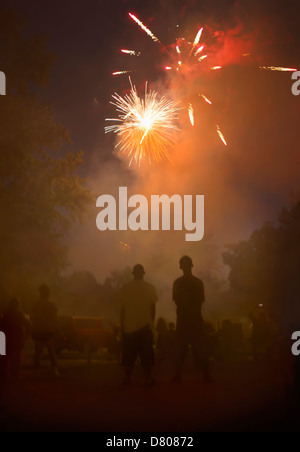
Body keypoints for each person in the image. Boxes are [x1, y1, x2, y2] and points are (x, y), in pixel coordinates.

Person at [172, 256, 212, 383]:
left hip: (183, 320)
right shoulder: (198, 282)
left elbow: (177, 302)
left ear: (180, 266)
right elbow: (200, 302)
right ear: (192, 265)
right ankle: (205, 375)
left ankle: (178, 375)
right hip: (195, 320)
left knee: (180, 349)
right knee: (200, 348)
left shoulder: (177, 283)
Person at [120, 264, 157, 387]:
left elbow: (123, 310)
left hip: (129, 328)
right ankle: (148, 378)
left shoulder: (125, 288)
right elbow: (153, 309)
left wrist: (123, 327)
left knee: (129, 357)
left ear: (133, 273)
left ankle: (127, 379)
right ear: (143, 273)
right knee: (146, 356)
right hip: (145, 327)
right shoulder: (150, 288)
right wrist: (151, 323)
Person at [31, 285, 59, 376]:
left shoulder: (36, 305)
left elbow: (32, 318)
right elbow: (55, 319)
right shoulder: (52, 305)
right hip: (48, 331)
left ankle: (37, 370)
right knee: (51, 352)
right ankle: (54, 369)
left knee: (38, 352)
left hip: (39, 331)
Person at [2, 298, 30, 381]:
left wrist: (26, 336)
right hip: (11, 338)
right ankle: (10, 374)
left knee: (10, 357)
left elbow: (28, 325)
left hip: (13, 338)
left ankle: (11, 374)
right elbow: (28, 324)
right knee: (10, 357)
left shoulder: (9, 314)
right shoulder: (17, 314)